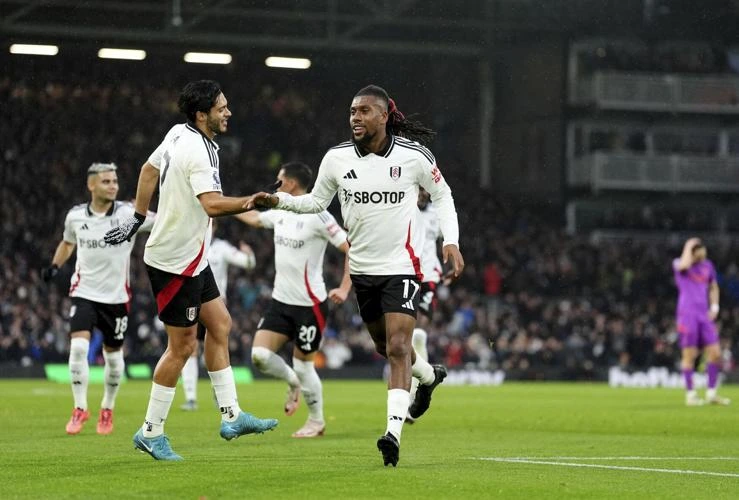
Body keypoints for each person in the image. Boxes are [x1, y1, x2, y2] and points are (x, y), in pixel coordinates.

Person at [247, 85, 464, 467]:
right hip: (363, 272)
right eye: (351, 111)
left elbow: (443, 196)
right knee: (384, 347)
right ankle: (429, 377)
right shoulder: (336, 159)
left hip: (402, 267)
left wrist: (451, 241)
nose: (355, 117)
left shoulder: (414, 157)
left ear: (383, 116)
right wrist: (278, 200)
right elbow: (315, 202)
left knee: (398, 347)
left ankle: (392, 434)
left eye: (364, 111)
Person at [104, 80, 278, 461]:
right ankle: (151, 432)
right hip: (174, 264)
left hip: (194, 259)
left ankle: (232, 415)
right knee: (181, 347)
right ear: (202, 115)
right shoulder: (198, 152)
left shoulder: (177, 133)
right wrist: (251, 201)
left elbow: (148, 171)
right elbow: (213, 205)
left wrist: (137, 216)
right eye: (221, 108)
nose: (228, 112)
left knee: (220, 325)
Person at [236, 161, 352, 438]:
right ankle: (292, 381)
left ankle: (316, 421)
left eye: (279, 179)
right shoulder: (279, 210)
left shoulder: (319, 215)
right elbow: (255, 218)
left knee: (304, 364)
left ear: (290, 183)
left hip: (310, 304)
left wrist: (345, 288)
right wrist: (219, 207)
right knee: (260, 356)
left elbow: (351, 248)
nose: (276, 184)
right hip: (280, 301)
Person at [42, 162, 154, 436]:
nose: (113, 185)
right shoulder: (76, 216)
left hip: (116, 298)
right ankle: (80, 407)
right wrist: (55, 266)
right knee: (78, 349)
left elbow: (163, 221)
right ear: (91, 185)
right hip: (84, 292)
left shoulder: (130, 214)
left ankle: (107, 407)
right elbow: (68, 242)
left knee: (114, 359)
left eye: (115, 181)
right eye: (106, 181)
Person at [180, 222, 256, 411]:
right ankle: (191, 397)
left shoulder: (221, 248)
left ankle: (218, 391)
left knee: (214, 347)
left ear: (214, 228)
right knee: (191, 347)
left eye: (211, 224)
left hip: (216, 305)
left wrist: (249, 254)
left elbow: (248, 263)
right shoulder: (188, 244)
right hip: (191, 302)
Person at [673, 238, 730, 406]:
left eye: (701, 247)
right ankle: (690, 395)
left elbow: (713, 286)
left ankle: (711, 394)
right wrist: (688, 247)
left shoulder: (708, 266)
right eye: (696, 248)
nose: (700, 250)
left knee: (715, 353)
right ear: (690, 251)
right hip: (687, 314)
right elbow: (683, 265)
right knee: (689, 355)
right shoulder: (680, 264)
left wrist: (714, 307)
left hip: (703, 316)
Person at [406, 187, 444, 425]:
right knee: (409, 335)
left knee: (417, 331)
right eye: (417, 189)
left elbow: (449, 239)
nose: (421, 194)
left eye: (424, 190)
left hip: (429, 275)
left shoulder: (437, 214)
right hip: (405, 273)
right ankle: (418, 385)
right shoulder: (403, 208)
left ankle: (412, 395)